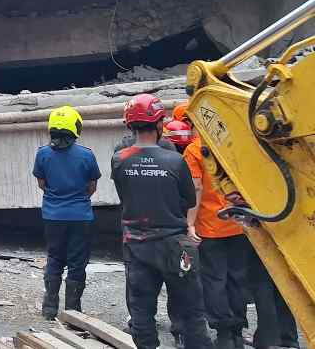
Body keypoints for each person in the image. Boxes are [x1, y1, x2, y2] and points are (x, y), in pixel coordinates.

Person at [111, 93, 210, 349]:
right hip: (175, 244)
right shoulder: (175, 161)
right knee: (192, 312)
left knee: (142, 313)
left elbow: (125, 195)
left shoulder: (119, 160)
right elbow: (189, 200)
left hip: (136, 244)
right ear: (159, 123)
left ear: (129, 124)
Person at [183, 126, 249, 349]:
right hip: (240, 224)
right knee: (237, 278)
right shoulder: (233, 143)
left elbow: (196, 187)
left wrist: (190, 223)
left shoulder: (194, 150)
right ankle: (238, 332)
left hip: (210, 227)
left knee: (214, 280)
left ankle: (224, 334)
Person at [33, 106, 100, 320]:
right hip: (81, 217)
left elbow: (42, 184)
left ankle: (49, 308)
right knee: (77, 263)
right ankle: (73, 311)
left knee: (54, 258)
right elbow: (92, 187)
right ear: (75, 127)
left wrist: (57, 196)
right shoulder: (86, 155)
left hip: (53, 216)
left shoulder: (42, 154)